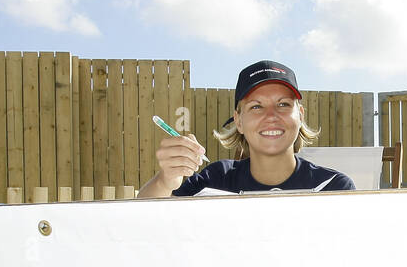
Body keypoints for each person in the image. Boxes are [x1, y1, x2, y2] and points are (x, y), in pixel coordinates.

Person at [137, 60, 355, 198]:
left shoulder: (333, 188)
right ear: (238, 121)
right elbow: (142, 224)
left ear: (300, 115)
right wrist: (165, 181)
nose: (271, 116)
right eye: (256, 106)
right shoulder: (214, 181)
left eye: (283, 104)